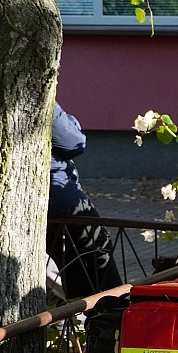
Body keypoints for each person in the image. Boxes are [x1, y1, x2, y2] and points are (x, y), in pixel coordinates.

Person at [47, 103, 123, 299]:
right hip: (62, 196)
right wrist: (70, 120)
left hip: (44, 201)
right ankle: (116, 312)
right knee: (99, 248)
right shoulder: (36, 91)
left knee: (70, 260)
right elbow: (73, 141)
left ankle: (85, 315)